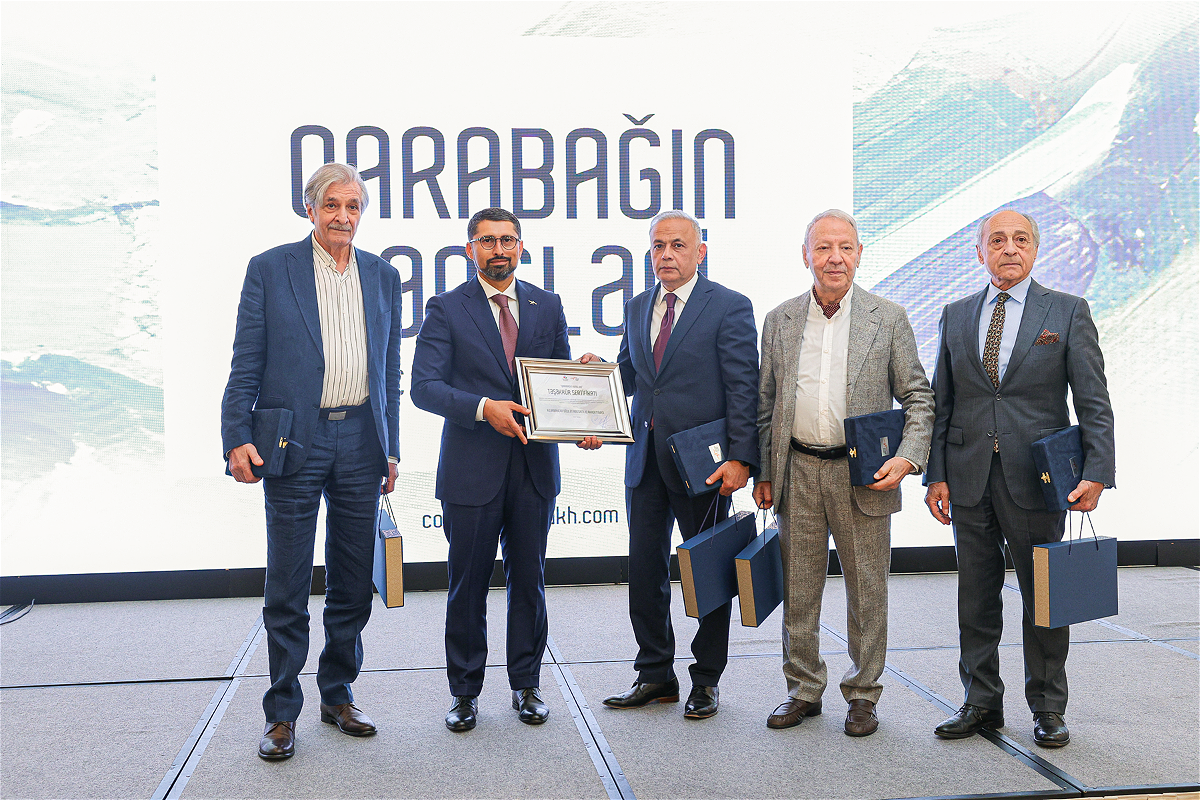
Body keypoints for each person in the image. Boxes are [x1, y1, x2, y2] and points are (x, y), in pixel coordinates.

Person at [221, 163, 402, 760]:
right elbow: (246, 361)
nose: (343, 217)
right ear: (311, 209)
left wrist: (391, 447)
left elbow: (389, 373)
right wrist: (234, 435)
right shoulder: (271, 269)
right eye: (332, 206)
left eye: (353, 206)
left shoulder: (383, 276)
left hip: (361, 443)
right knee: (289, 581)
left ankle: (338, 693)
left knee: (352, 579)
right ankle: (281, 712)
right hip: (293, 443)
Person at [924, 209, 1115, 748]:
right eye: (997, 240)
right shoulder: (955, 315)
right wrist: (936, 475)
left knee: (1045, 599)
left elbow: (1093, 402)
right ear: (979, 252)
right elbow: (943, 403)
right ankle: (981, 701)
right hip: (967, 478)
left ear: (1035, 249)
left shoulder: (1068, 311)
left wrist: (1097, 471)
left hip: (1038, 479)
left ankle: (1048, 707)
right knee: (975, 599)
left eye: (1021, 239)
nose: (1009, 248)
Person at [753, 209, 934, 737]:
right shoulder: (780, 320)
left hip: (864, 476)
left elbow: (918, 397)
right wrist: (765, 472)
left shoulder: (888, 317)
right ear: (805, 255)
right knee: (799, 589)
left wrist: (908, 456)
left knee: (868, 591)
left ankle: (863, 694)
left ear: (858, 254)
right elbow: (766, 406)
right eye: (824, 247)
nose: (835, 258)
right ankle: (803, 689)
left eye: (845, 247)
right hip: (798, 471)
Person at [583, 209, 759, 721]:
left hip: (703, 465)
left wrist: (742, 458)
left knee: (707, 573)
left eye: (678, 245)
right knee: (645, 573)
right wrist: (598, 382)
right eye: (658, 246)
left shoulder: (728, 305)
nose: (666, 255)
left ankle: (706, 680)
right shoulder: (638, 305)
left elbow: (743, 388)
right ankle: (655, 673)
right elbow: (632, 376)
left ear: (700, 252)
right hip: (644, 461)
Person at [410, 208, 572, 732]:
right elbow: (424, 388)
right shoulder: (445, 308)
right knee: (468, 586)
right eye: (487, 241)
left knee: (530, 583)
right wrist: (484, 408)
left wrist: (586, 413)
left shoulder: (548, 305)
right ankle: (464, 693)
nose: (498, 249)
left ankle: (527, 685)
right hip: (470, 470)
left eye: (507, 240)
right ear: (470, 250)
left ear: (521, 247)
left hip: (534, 470)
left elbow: (560, 385)